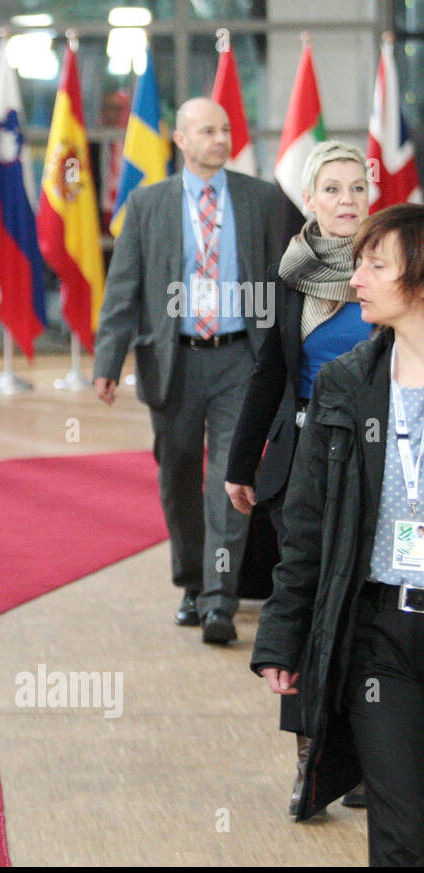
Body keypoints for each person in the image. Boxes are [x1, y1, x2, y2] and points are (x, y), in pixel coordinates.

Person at [93, 97, 301, 645]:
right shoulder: (147, 204)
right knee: (178, 477)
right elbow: (124, 287)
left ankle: (219, 600)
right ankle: (190, 581)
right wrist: (107, 362)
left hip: (241, 358)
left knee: (229, 482)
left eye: (225, 129)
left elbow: (281, 281)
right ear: (180, 140)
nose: (220, 138)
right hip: (174, 358)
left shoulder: (260, 198)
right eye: (207, 130)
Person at [252, 203, 424, 865]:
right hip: (378, 636)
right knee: (401, 833)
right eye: (358, 266)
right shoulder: (347, 382)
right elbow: (309, 526)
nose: (358, 281)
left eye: (377, 265)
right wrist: (282, 635)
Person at [224, 141, 372, 817]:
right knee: (306, 618)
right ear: (309, 201)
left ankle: (371, 758)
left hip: (376, 468)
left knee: (368, 618)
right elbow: (268, 375)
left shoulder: (393, 270)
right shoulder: (284, 280)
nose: (347, 201)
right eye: (333, 189)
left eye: (357, 188)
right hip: (301, 469)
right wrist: (239, 463)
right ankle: (311, 759)